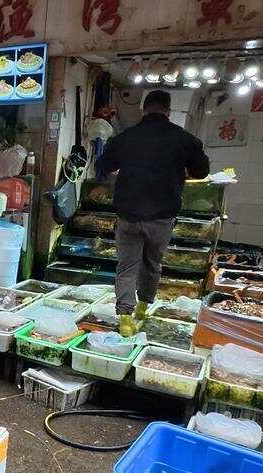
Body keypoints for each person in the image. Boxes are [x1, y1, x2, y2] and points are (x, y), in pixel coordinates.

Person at [97, 90, 210, 336]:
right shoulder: (184, 139)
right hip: (161, 217)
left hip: (128, 215)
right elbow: (202, 171)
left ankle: (124, 317)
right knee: (152, 263)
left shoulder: (126, 137)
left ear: (143, 110)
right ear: (168, 112)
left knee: (126, 266)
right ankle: (142, 307)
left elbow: (103, 166)